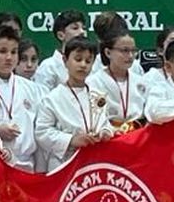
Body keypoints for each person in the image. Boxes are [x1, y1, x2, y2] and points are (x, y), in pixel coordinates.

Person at [36, 36, 115, 170]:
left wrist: (105, 131)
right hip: (64, 163)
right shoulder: (52, 98)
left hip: (95, 160)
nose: (83, 65)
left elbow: (105, 121)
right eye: (78, 59)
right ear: (65, 60)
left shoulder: (98, 96)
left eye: (88, 61)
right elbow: (42, 132)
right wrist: (71, 140)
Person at [0, 23, 43, 171]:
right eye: (2, 51)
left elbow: (40, 129)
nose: (9, 57)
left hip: (26, 165)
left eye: (14, 52)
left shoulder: (32, 88)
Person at [90, 17, 147, 129]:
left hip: (138, 136)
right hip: (108, 136)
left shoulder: (141, 81)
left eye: (133, 51)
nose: (130, 56)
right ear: (108, 52)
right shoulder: (94, 81)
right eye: (125, 50)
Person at [34, 10, 88, 92]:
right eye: (75, 28)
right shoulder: (48, 67)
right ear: (61, 35)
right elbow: (42, 100)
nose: (82, 32)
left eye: (83, 28)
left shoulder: (90, 64)